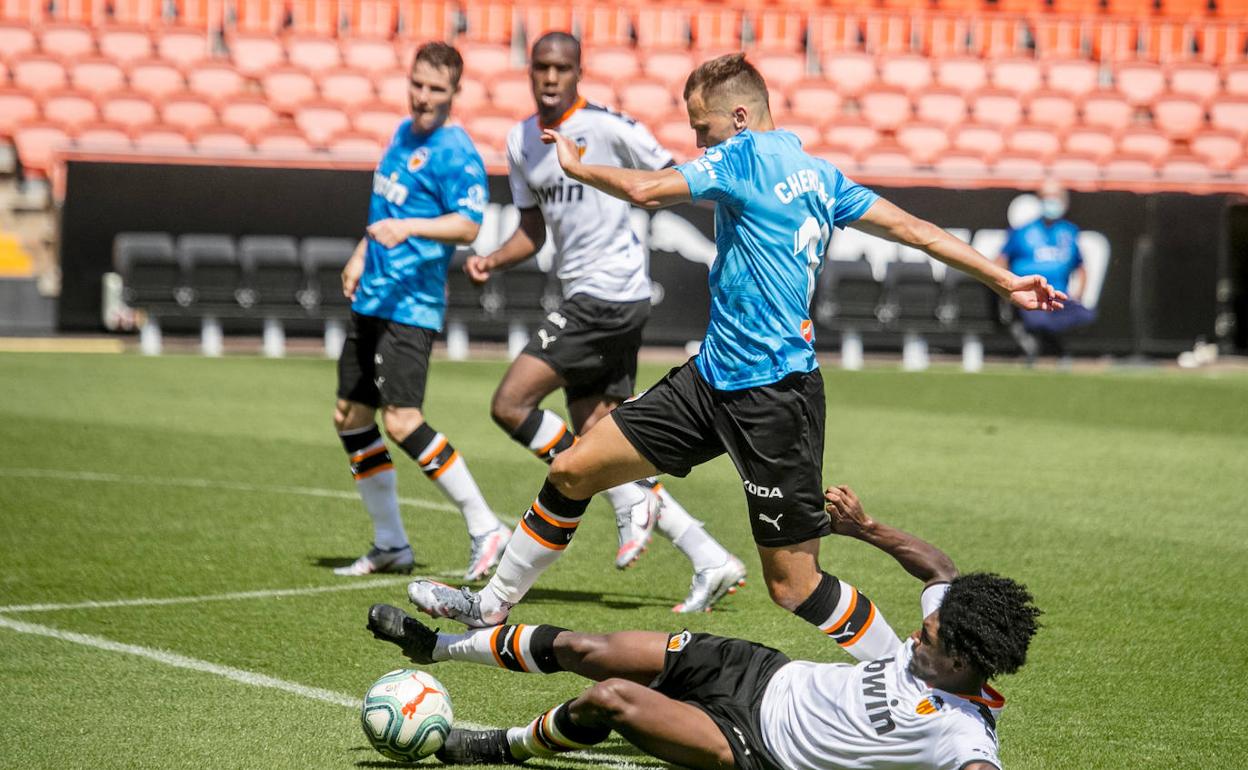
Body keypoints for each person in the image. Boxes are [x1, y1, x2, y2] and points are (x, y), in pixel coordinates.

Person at [408, 53, 1063, 655]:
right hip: (711, 378)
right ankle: (490, 606)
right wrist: (1005, 279)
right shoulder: (821, 175)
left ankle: (898, 672)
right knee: (575, 468)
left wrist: (577, 168)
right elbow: (914, 230)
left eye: (703, 127)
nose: (698, 143)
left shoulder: (741, 159)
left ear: (741, 118)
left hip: (775, 398)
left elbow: (644, 191)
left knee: (794, 586)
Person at [368, 485, 1041, 770]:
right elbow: (938, 567)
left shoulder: (960, 731)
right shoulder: (948, 630)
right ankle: (440, 647)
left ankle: (497, 747)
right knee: (586, 649)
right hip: (758, 670)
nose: (921, 633)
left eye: (932, 639)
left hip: (752, 745)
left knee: (609, 700)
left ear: (966, 662)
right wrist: (865, 529)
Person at [464, 31, 746, 612]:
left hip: (609, 295)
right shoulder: (521, 141)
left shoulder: (610, 128)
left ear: (577, 71)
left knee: (509, 404)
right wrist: (492, 259)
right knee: (604, 439)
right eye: (540, 67)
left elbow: (674, 177)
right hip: (583, 294)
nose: (548, 77)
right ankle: (709, 557)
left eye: (560, 68)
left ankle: (626, 501)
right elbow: (533, 231)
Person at [331, 42, 510, 579]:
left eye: (436, 89)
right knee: (350, 416)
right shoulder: (400, 136)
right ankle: (390, 544)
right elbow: (386, 207)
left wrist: (408, 229)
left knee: (403, 420)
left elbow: (469, 226)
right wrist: (362, 252)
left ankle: (485, 526)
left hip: (412, 305)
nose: (423, 97)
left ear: (455, 93)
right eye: (418, 85)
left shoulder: (457, 152)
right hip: (374, 297)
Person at [998, 179, 1097, 366]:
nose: (1051, 202)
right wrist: (1008, 288)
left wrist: (1078, 294)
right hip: (1031, 294)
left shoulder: (1069, 232)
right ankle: (1045, 349)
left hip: (1058, 295)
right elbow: (1001, 260)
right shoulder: (1022, 231)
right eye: (1047, 197)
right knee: (1038, 319)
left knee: (1086, 315)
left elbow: (1081, 267)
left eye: (1056, 198)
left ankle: (1049, 348)